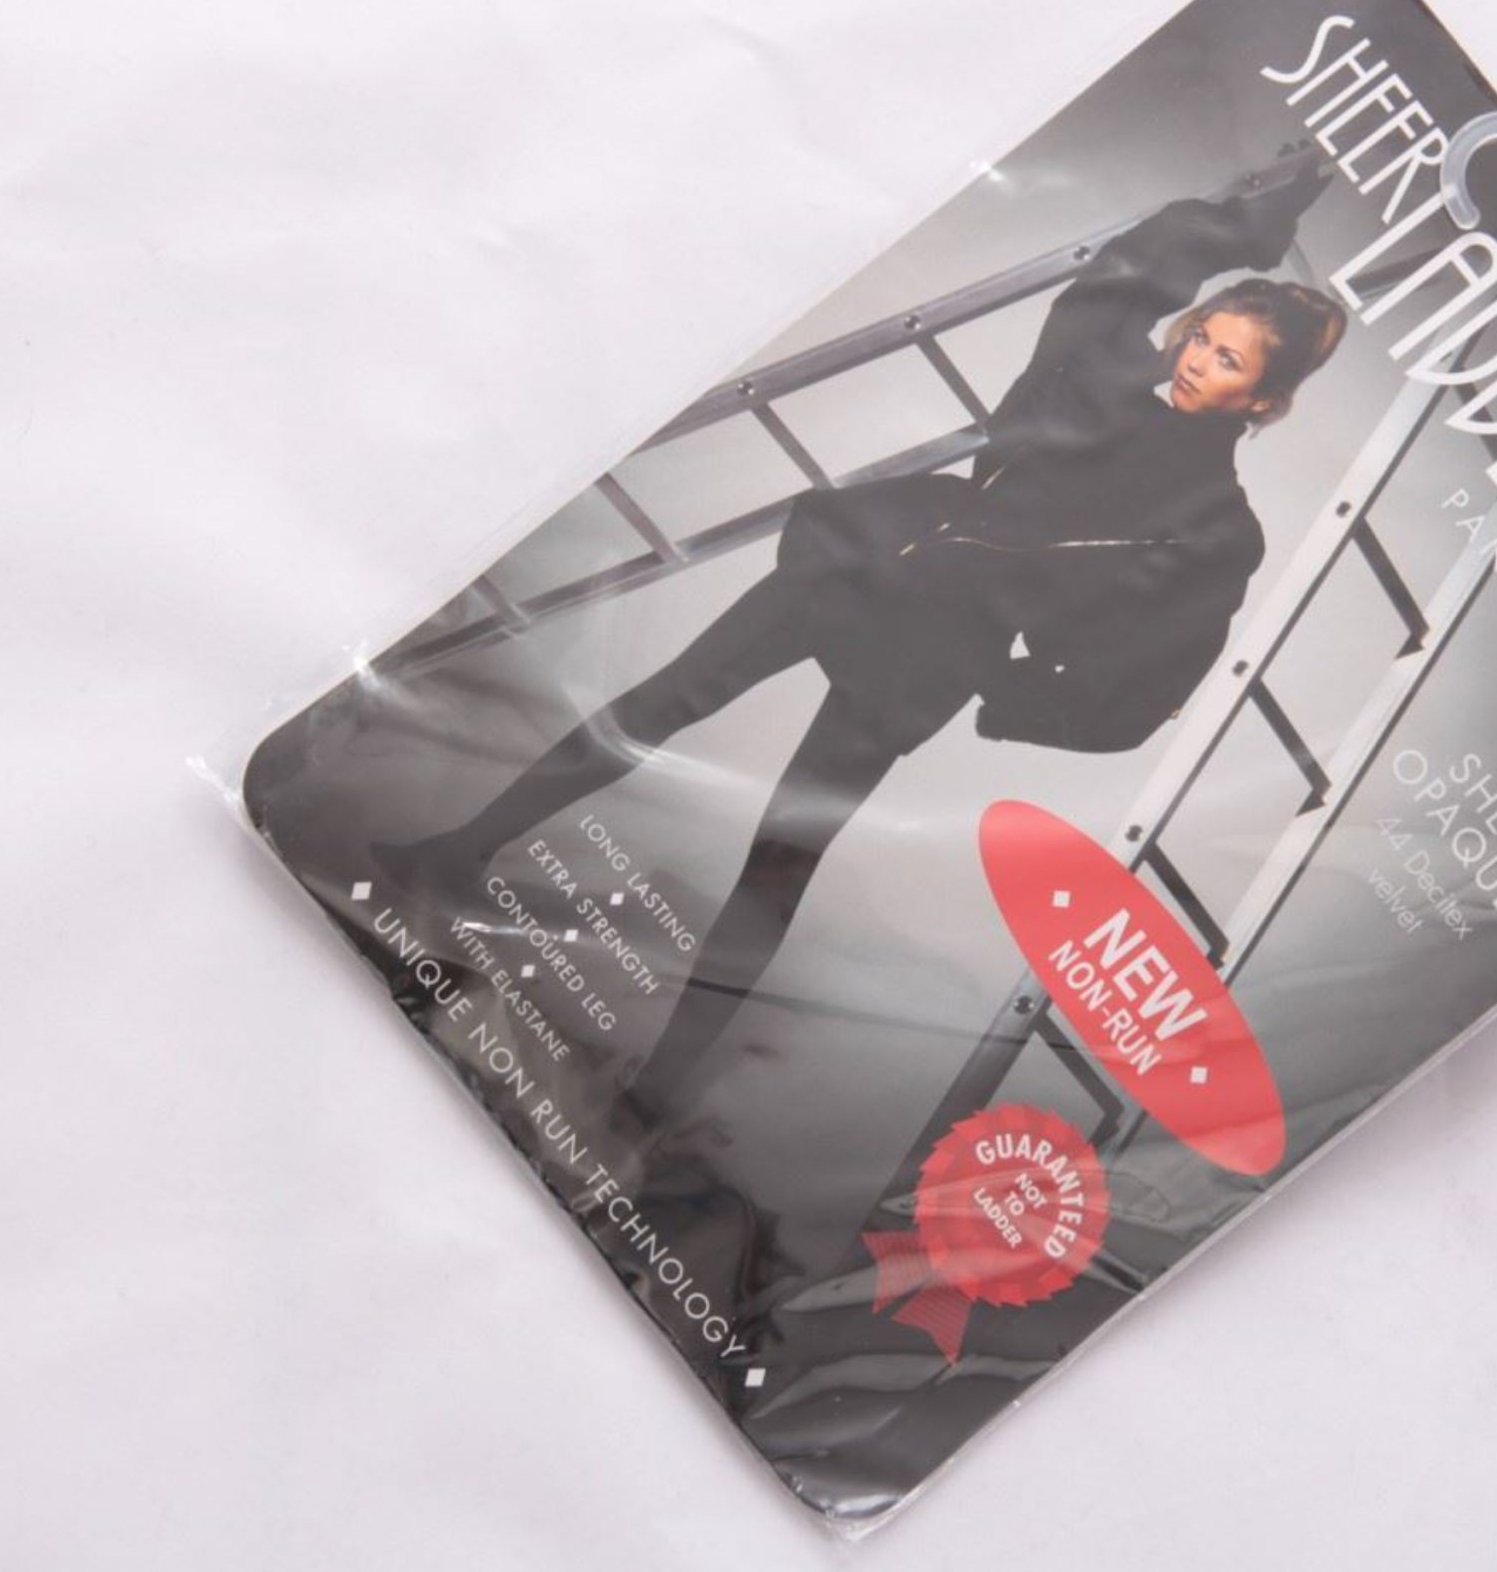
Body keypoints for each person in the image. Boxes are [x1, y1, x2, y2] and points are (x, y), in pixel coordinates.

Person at [376, 156, 1346, 1123]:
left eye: (1228, 361)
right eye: (1202, 336)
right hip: (866, 560)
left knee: (783, 852)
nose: (1196, 359)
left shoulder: (1216, 526)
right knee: (660, 702)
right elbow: (1127, 274)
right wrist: (1255, 222)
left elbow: (1149, 678)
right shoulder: (1097, 380)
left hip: (933, 651)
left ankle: (657, 1088)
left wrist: (1011, 697)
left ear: (1263, 402)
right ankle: (456, 853)